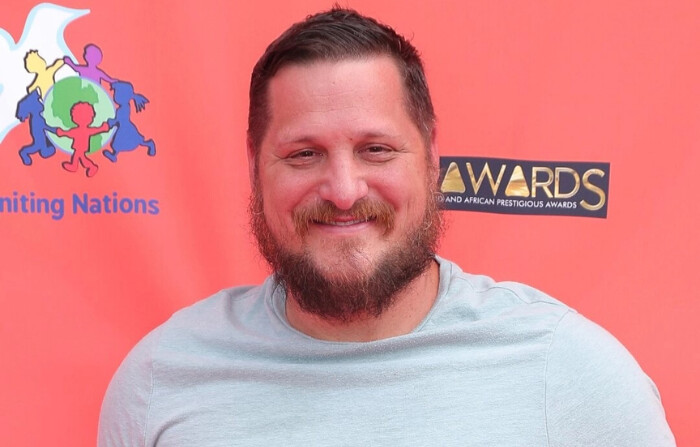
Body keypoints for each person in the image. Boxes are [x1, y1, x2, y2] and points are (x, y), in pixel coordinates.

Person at [98, 7, 675, 446]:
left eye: (375, 149)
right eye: (303, 154)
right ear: (255, 169)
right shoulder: (160, 380)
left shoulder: (570, 374)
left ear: (430, 161)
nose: (344, 190)